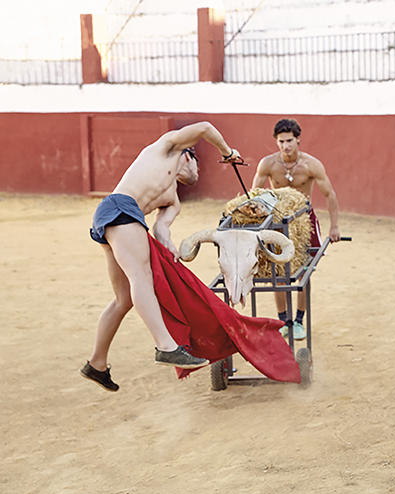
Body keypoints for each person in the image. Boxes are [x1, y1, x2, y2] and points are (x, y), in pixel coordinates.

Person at [81, 122, 243, 392]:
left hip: (118, 219)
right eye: (198, 167)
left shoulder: (173, 198)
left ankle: (96, 364)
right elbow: (205, 127)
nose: (198, 174)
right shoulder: (167, 147)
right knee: (142, 276)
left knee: (123, 299)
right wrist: (228, 152)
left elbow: (160, 228)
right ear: (188, 156)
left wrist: (170, 246)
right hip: (121, 206)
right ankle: (166, 346)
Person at [251, 118, 341, 340]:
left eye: (289, 141)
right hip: (278, 221)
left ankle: (299, 321)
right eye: (281, 141)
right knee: (278, 274)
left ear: (298, 139)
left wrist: (334, 227)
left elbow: (330, 194)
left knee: (305, 272)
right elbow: (254, 195)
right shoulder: (268, 164)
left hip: (304, 221)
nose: (285, 146)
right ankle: (285, 321)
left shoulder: (311, 165)